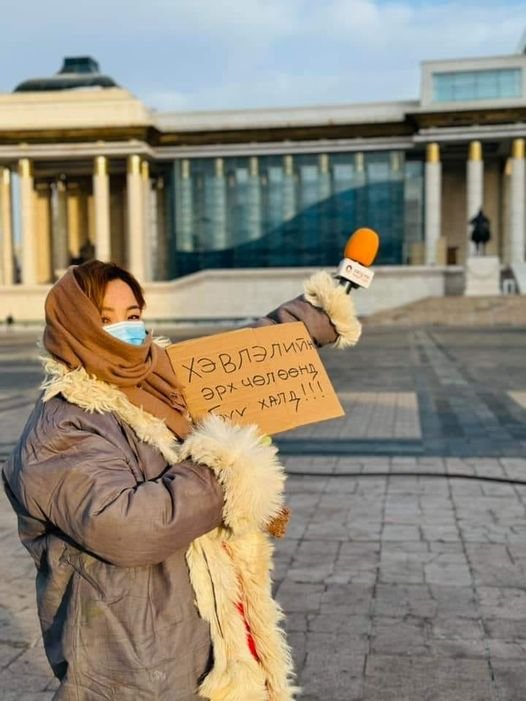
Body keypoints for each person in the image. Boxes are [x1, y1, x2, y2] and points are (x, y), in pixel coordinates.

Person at [2, 260, 361, 701]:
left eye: (133, 315)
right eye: (105, 319)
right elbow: (128, 526)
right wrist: (220, 468)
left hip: (197, 630)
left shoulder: (154, 375)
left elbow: (243, 358)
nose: (126, 330)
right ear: (72, 326)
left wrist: (319, 314)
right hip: (128, 654)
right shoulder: (63, 427)